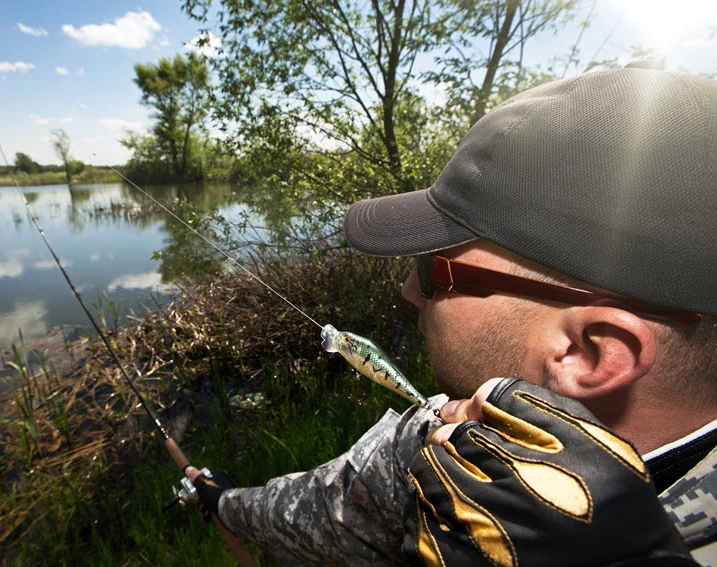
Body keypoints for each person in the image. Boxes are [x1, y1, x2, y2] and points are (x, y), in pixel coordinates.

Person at [187, 66, 717, 565]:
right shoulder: (436, 444)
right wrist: (219, 499)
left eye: (434, 271)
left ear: (588, 352)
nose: (408, 291)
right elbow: (307, 511)